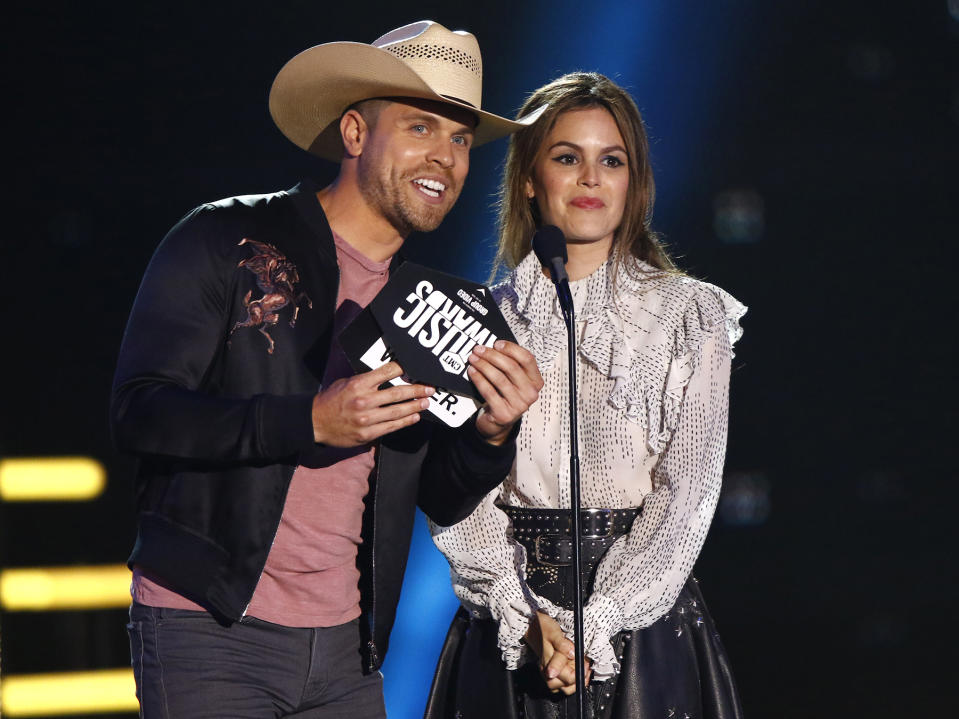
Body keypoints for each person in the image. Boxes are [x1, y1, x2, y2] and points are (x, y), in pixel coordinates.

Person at [111, 20, 543, 719]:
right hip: (209, 631)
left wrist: (489, 435)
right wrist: (308, 420)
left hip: (347, 655)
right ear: (353, 133)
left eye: (461, 138)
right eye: (420, 127)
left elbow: (435, 491)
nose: (446, 157)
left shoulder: (430, 306)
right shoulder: (226, 238)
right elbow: (140, 411)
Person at [425, 72, 746, 719]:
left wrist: (596, 620)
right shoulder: (475, 320)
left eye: (611, 160)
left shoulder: (689, 313)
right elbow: (453, 496)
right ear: (528, 177)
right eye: (567, 158)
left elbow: (686, 493)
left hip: (641, 626)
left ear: (635, 181)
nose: (590, 178)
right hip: (508, 625)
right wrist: (525, 615)